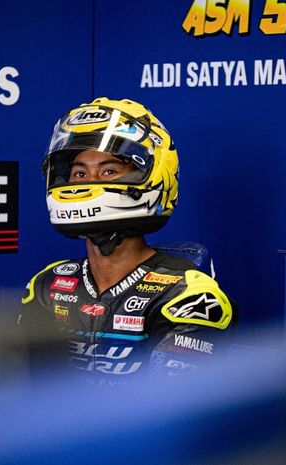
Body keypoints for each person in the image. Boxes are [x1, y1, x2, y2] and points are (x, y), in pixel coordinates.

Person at [19, 97, 237, 385]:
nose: (88, 183)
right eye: (79, 173)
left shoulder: (191, 298)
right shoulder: (48, 285)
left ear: (152, 176)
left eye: (109, 171)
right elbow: (27, 392)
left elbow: (175, 406)